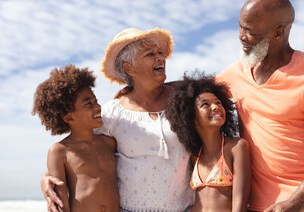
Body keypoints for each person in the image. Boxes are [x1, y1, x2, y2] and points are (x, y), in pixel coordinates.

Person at [41, 28, 195, 212]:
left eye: (160, 53)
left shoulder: (186, 100)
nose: (160, 58)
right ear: (129, 68)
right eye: (150, 54)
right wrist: (46, 178)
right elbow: (80, 150)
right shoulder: (111, 115)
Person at [217, 0, 304, 212]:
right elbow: (191, 90)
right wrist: (136, 87)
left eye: (250, 32)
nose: (241, 36)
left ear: (278, 33)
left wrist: (295, 203)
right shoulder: (236, 73)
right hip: (255, 206)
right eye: (240, 27)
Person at [32, 64, 119, 212]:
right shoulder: (59, 151)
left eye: (96, 100)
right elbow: (59, 201)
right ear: (68, 117)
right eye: (88, 104)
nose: (97, 107)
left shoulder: (109, 143)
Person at [166, 72, 251, 212]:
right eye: (205, 104)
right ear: (190, 116)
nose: (216, 107)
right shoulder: (194, 156)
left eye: (218, 103)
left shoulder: (236, 147)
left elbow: (241, 204)